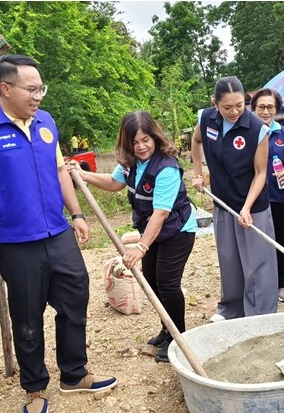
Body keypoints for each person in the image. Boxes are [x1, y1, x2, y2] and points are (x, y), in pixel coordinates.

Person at [0, 54, 116, 413]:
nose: (39, 95)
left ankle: (74, 374)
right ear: (5, 88)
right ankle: (34, 387)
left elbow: (59, 169)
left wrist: (75, 214)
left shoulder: (45, 122)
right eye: (32, 88)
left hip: (56, 231)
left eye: (41, 87)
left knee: (76, 296)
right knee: (27, 318)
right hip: (15, 241)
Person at [71, 111, 196, 363]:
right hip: (152, 232)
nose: (140, 147)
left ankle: (179, 337)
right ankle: (167, 329)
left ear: (155, 137)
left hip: (177, 231)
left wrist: (141, 246)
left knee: (168, 283)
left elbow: (161, 213)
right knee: (152, 280)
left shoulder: (167, 168)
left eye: (145, 140)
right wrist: (82, 174)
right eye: (134, 142)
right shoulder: (130, 163)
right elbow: (114, 183)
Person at [191, 76, 278, 320]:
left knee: (257, 262)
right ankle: (231, 309)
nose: (234, 111)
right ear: (215, 103)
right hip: (222, 202)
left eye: (239, 105)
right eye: (227, 107)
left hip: (253, 205)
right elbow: (196, 141)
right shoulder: (206, 118)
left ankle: (261, 314)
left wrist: (248, 207)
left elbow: (261, 173)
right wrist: (198, 172)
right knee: (229, 259)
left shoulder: (257, 129)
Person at [251, 89, 284, 302]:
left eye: (270, 107)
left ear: (276, 109)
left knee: (280, 240)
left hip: (281, 196)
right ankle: (259, 285)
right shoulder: (248, 133)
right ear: (253, 109)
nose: (266, 111)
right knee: (257, 242)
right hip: (255, 198)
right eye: (261, 106)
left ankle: (282, 285)